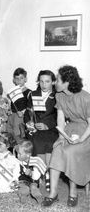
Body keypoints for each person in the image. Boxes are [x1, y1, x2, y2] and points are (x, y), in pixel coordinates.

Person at [42, 65, 90, 208]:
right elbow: (61, 118)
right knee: (57, 149)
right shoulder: (59, 96)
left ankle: (73, 192)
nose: (55, 82)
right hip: (70, 129)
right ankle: (53, 193)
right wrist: (62, 136)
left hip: (86, 132)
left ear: (67, 82)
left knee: (70, 152)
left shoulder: (85, 98)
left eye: (57, 80)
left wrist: (81, 139)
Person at [24, 70, 58, 191]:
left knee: (49, 143)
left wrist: (47, 125)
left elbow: (58, 116)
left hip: (51, 129)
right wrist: (29, 122)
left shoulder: (56, 96)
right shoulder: (33, 94)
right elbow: (28, 113)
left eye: (47, 81)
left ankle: (47, 173)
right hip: (35, 129)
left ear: (53, 82)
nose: (44, 84)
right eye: (41, 81)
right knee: (37, 141)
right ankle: (43, 175)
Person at [7, 68, 31, 143]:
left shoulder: (29, 92)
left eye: (21, 78)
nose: (19, 80)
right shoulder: (12, 92)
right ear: (14, 80)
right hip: (11, 116)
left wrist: (23, 112)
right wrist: (9, 110)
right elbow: (10, 104)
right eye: (17, 78)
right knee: (9, 134)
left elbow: (30, 107)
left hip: (20, 117)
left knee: (18, 135)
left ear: (25, 79)